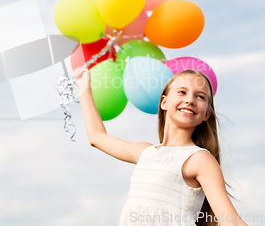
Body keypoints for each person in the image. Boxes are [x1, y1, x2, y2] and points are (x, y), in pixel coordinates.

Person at [73, 66, 248, 226]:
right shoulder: (145, 153)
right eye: (182, 92)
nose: (190, 100)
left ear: (206, 114)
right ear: (164, 102)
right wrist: (84, 87)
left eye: (200, 96)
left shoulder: (200, 159)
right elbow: (97, 137)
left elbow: (231, 222)